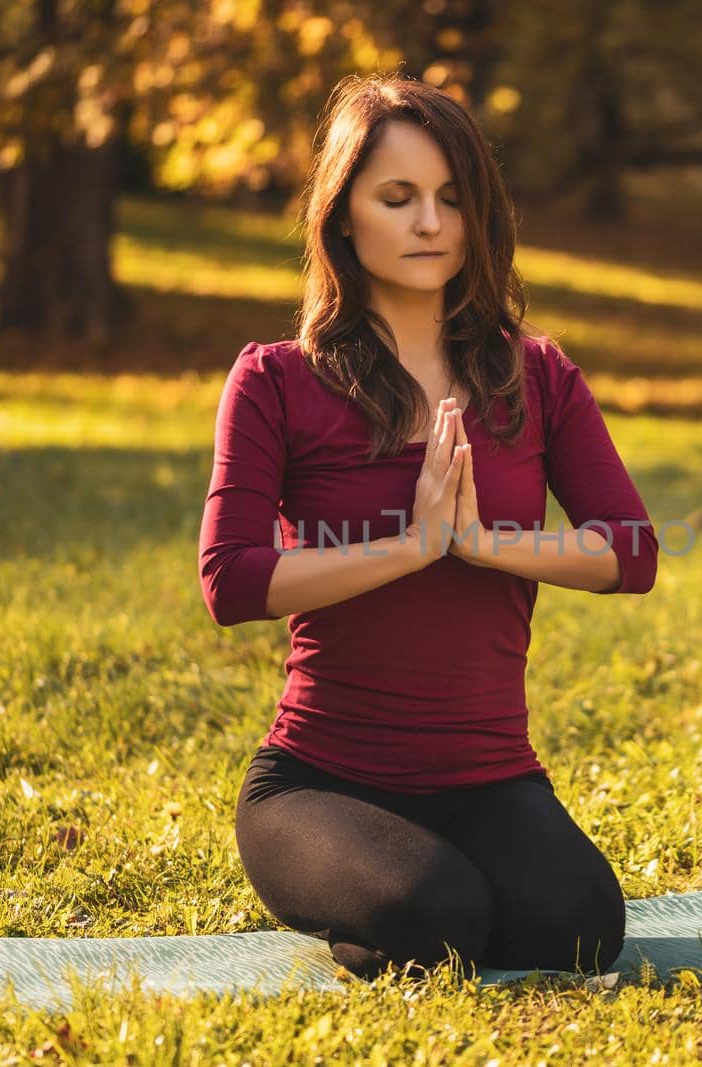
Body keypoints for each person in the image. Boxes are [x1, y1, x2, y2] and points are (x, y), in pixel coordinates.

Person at [198, 72, 659, 983]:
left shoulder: (539, 377)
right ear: (342, 217)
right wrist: (409, 545)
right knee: (435, 916)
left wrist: (482, 543)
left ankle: (441, 894)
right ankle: (388, 903)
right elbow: (232, 581)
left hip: (490, 776)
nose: (429, 223)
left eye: (452, 199)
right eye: (397, 197)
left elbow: (633, 553)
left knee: (580, 926)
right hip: (320, 783)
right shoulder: (276, 382)